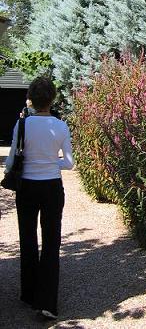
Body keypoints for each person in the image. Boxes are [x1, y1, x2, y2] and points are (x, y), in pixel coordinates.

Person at [5, 76, 74, 320]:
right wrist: (50, 161)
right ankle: (47, 303)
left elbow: (12, 160)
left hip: (27, 188)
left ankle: (29, 293)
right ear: (52, 99)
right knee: (52, 241)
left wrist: (10, 172)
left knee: (28, 238)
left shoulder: (22, 125)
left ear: (32, 100)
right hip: (52, 188)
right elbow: (69, 163)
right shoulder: (61, 126)